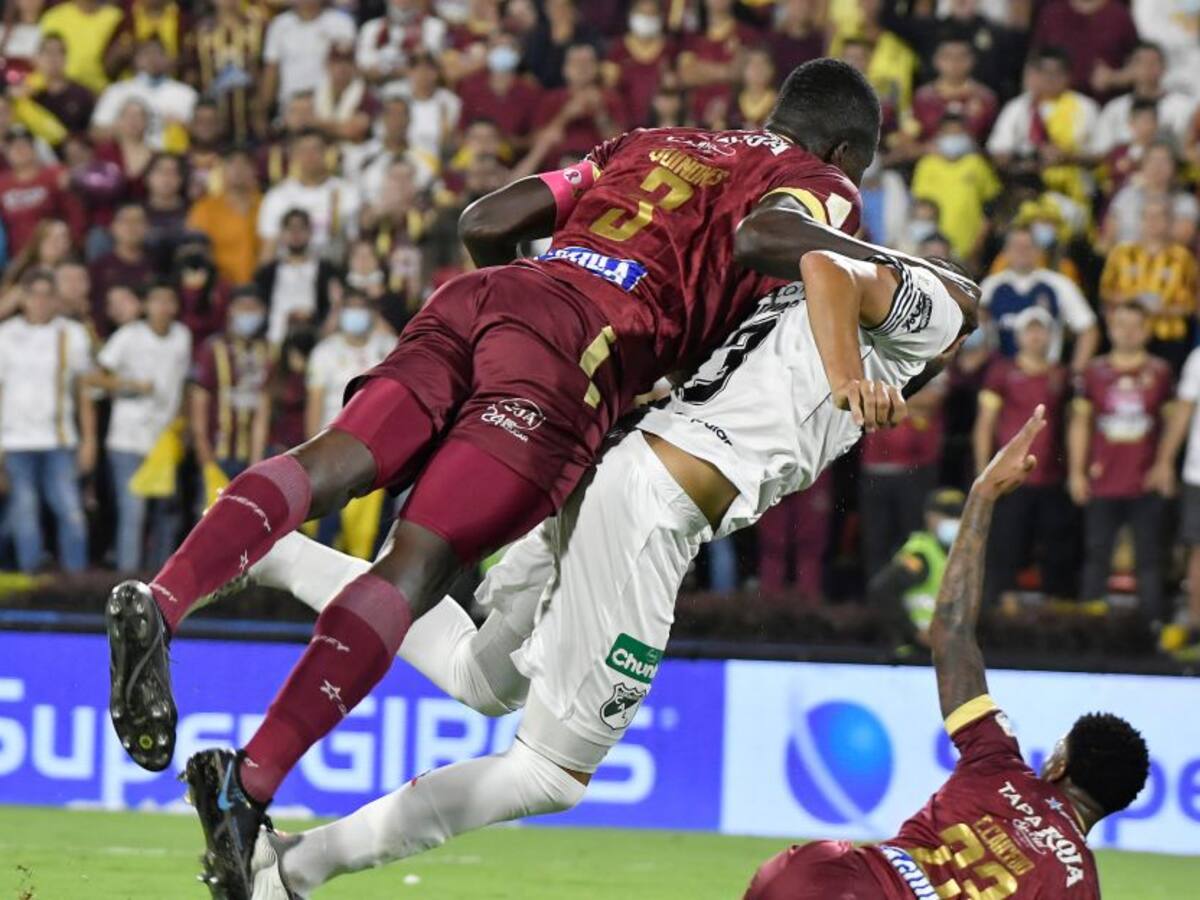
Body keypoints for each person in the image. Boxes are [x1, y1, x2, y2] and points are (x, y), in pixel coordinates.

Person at [105, 60, 971, 894]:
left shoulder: (656, 143)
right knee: (541, 756)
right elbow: (809, 255)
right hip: (628, 469)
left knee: (470, 656)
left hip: (521, 325)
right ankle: (280, 851)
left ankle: (233, 566)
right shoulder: (867, 244)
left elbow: (491, 218)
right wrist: (868, 327)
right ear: (851, 157)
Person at [229, 250, 971, 898]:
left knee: (485, 681)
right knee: (549, 774)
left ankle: (270, 552)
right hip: (650, 511)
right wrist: (848, 374)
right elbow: (829, 266)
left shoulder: (798, 317)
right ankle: (291, 870)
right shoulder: (939, 307)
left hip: (608, 472)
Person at [744, 407, 1150, 899]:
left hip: (819, 878)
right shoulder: (1078, 887)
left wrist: (982, 495)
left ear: (1058, 766)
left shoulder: (1000, 763)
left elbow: (952, 634)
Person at [1069, 302, 1173, 622]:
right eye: (1121, 324)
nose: (1127, 332)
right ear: (1111, 329)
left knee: (1150, 558)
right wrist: (1075, 473)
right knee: (1097, 554)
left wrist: (1164, 465)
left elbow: (1171, 424)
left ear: (1147, 330)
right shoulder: (1094, 371)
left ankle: (1151, 629)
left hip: (1145, 480)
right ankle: (1089, 627)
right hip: (1103, 479)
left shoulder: (1160, 371)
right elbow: (1080, 423)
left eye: (1135, 325)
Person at [974, 307, 1075, 607]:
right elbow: (985, 424)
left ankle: (1054, 611)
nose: (1036, 336)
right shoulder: (1002, 372)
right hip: (1009, 477)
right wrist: (984, 471)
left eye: (1041, 329)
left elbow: (1072, 424)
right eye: (1030, 330)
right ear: (1019, 336)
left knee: (1056, 547)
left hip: (1050, 476)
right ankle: (1002, 609)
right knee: (1006, 544)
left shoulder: (1062, 375)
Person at [0, 268, 95, 573]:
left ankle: (77, 586)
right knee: (24, 516)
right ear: (23, 299)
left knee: (71, 513)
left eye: (46, 295)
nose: (40, 302)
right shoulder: (6, 335)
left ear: (55, 299)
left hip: (60, 440)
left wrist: (89, 441)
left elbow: (83, 392)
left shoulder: (72, 333)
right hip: (15, 441)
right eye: (34, 295)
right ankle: (32, 588)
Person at [93, 281, 191, 571]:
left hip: (163, 440)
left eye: (169, 301)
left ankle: (160, 580)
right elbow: (95, 377)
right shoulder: (128, 336)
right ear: (145, 305)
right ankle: (127, 579)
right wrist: (130, 384)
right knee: (133, 512)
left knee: (166, 513)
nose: (163, 308)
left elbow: (184, 384)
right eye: (157, 301)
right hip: (127, 439)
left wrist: (183, 425)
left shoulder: (181, 336)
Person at [979, 226, 1098, 374]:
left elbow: (1088, 328)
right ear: (1005, 253)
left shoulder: (1059, 284)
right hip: (1002, 379)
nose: (1022, 251)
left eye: (1028, 246)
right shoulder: (990, 286)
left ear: (1039, 251)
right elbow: (975, 332)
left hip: (1046, 378)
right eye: (1016, 246)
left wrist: (1075, 374)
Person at [1100, 197, 1199, 373]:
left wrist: (1164, 309)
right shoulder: (1121, 253)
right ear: (1140, 220)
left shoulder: (1183, 259)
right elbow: (1106, 293)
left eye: (1159, 217)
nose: (1153, 222)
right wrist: (1133, 303)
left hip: (1168, 338)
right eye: (1148, 216)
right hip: (1127, 336)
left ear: (1169, 222)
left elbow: (1193, 303)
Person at [188, 286, 270, 489]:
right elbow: (198, 405)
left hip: (250, 456)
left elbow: (263, 410)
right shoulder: (212, 349)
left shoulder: (266, 352)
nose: (249, 314)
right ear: (231, 311)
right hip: (217, 454)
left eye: (254, 308)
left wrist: (256, 463)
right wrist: (206, 461)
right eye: (243, 308)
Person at [867, 487, 964, 649]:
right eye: (947, 516)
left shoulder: (965, 553)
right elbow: (882, 589)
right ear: (930, 518)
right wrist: (914, 633)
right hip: (917, 652)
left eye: (958, 516)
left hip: (949, 651)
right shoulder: (921, 555)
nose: (955, 521)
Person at [257, 127, 361, 261]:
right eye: (303, 151)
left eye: (315, 150)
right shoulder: (276, 196)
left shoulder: (347, 192)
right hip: (289, 273)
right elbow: (269, 246)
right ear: (293, 156)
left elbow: (353, 242)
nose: (310, 156)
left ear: (327, 153)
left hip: (333, 270)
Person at [91, 38, 197, 151]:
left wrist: (183, 126)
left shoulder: (187, 93)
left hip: (171, 159)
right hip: (127, 159)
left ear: (169, 59)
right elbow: (96, 133)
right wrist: (125, 127)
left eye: (158, 53)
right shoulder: (117, 91)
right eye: (146, 53)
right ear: (135, 60)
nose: (152, 58)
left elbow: (204, 134)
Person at [254, 208, 341, 346]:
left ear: (310, 232)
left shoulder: (326, 270)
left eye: (301, 228)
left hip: (314, 341)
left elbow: (335, 305)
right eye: (290, 228)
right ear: (281, 234)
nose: (296, 233)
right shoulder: (267, 273)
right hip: (274, 342)